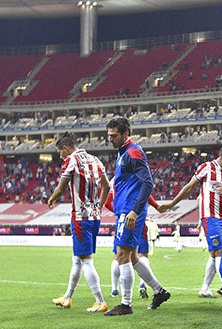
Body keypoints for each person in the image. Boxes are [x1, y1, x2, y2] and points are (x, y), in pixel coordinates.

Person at [104, 117, 170, 315]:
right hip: (126, 209)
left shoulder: (133, 152)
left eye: (113, 136)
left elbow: (147, 183)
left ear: (125, 134)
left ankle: (126, 304)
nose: (110, 139)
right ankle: (159, 291)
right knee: (132, 256)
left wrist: (134, 210)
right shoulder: (124, 152)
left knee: (122, 254)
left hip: (130, 210)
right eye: (108, 136)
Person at [159, 144, 222, 298]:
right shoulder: (206, 167)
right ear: (221, 155)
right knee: (219, 251)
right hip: (210, 216)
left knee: (215, 254)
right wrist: (172, 204)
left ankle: (205, 288)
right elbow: (189, 187)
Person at [48, 132, 110, 313]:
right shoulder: (96, 160)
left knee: (87, 261)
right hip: (94, 217)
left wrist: (52, 199)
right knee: (77, 260)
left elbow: (60, 189)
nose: (61, 156)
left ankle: (100, 301)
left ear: (66, 148)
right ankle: (67, 297)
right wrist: (99, 206)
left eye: (61, 153)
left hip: (80, 218)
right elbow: (107, 186)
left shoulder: (71, 161)